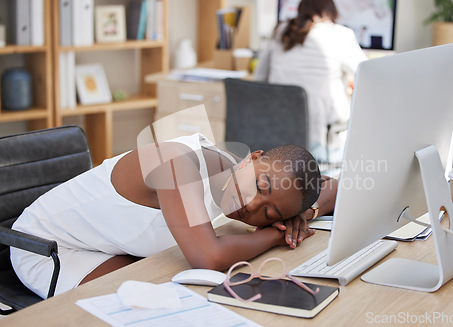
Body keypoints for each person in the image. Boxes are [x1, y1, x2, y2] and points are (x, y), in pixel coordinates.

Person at [11, 132, 338, 298]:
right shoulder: (179, 164)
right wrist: (276, 231)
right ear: (251, 159)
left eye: (270, 211)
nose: (252, 205)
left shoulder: (233, 182)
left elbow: (333, 185)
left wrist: (306, 213)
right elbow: (208, 257)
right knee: (147, 305)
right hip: (47, 249)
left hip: (111, 244)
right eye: (260, 185)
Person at [254, 0, 367, 164]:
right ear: (331, 11)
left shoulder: (281, 30)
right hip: (320, 146)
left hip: (278, 139)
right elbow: (367, 74)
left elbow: (258, 80)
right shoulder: (341, 34)